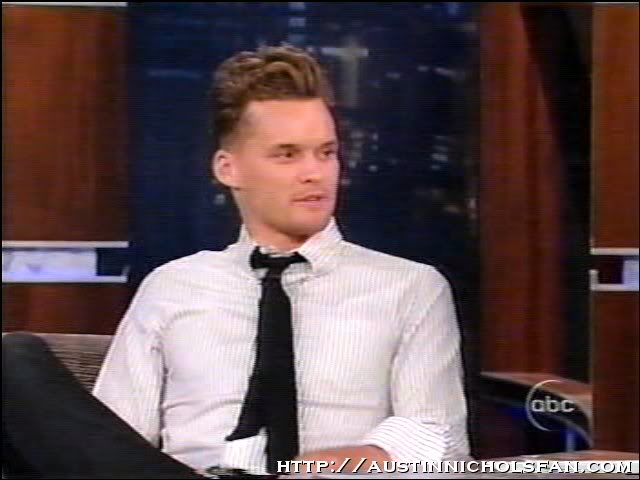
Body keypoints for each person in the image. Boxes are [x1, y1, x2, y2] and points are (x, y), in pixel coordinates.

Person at [2, 45, 469, 479]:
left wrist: (325, 465)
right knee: (14, 361)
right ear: (228, 169)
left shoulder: (410, 288)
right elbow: (108, 446)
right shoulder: (172, 287)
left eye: (326, 153)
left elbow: (442, 446)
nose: (315, 172)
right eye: (287, 155)